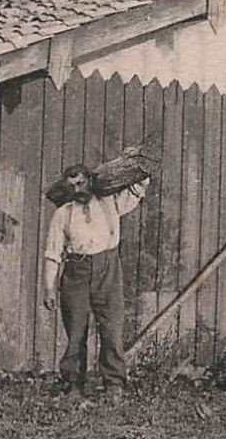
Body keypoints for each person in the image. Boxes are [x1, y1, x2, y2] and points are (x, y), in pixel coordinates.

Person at [42, 165, 149, 396]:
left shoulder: (110, 203)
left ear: (90, 181)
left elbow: (136, 191)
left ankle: (114, 385)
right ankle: (73, 384)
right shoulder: (63, 213)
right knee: (76, 331)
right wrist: (49, 289)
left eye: (81, 183)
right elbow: (52, 253)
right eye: (71, 186)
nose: (77, 189)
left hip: (108, 269)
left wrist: (142, 169)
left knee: (111, 329)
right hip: (75, 272)